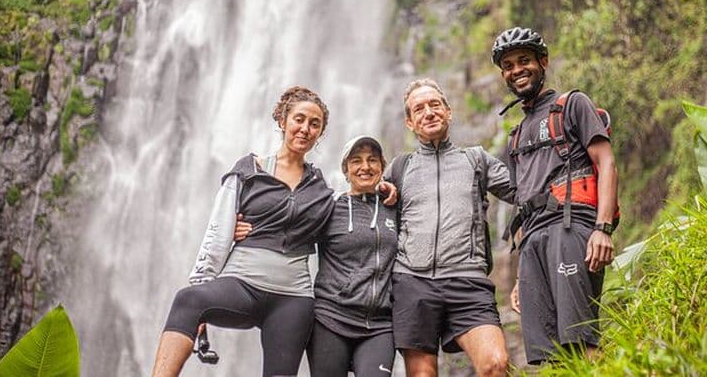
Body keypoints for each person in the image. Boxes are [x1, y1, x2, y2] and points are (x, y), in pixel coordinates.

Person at [151, 86, 336, 377]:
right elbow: (217, 231)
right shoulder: (248, 171)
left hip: (292, 299)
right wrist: (202, 285)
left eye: (315, 124)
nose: (305, 129)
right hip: (241, 284)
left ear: (320, 133)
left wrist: (383, 190)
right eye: (299, 119)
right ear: (283, 120)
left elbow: (347, 220)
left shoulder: (322, 190)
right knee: (188, 300)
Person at [491, 27, 618, 365]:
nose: (517, 70)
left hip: (570, 229)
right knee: (549, 356)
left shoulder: (572, 105)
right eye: (508, 65)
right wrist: (519, 277)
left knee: (582, 338)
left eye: (524, 61)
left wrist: (602, 229)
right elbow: (521, 207)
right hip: (532, 244)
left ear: (542, 61)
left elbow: (605, 161)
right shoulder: (515, 137)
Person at [235, 135, 398, 377]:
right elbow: (288, 230)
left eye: (372, 160)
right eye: (356, 161)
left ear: (382, 168)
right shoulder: (328, 208)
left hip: (379, 325)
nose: (365, 166)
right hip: (330, 320)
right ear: (345, 170)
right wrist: (244, 228)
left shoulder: (396, 208)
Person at [387, 78, 515, 377]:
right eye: (419, 109)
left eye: (435, 105)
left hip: (467, 279)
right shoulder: (398, 168)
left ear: (448, 112)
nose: (428, 112)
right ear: (409, 122)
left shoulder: (476, 159)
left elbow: (522, 190)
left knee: (496, 364)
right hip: (412, 281)